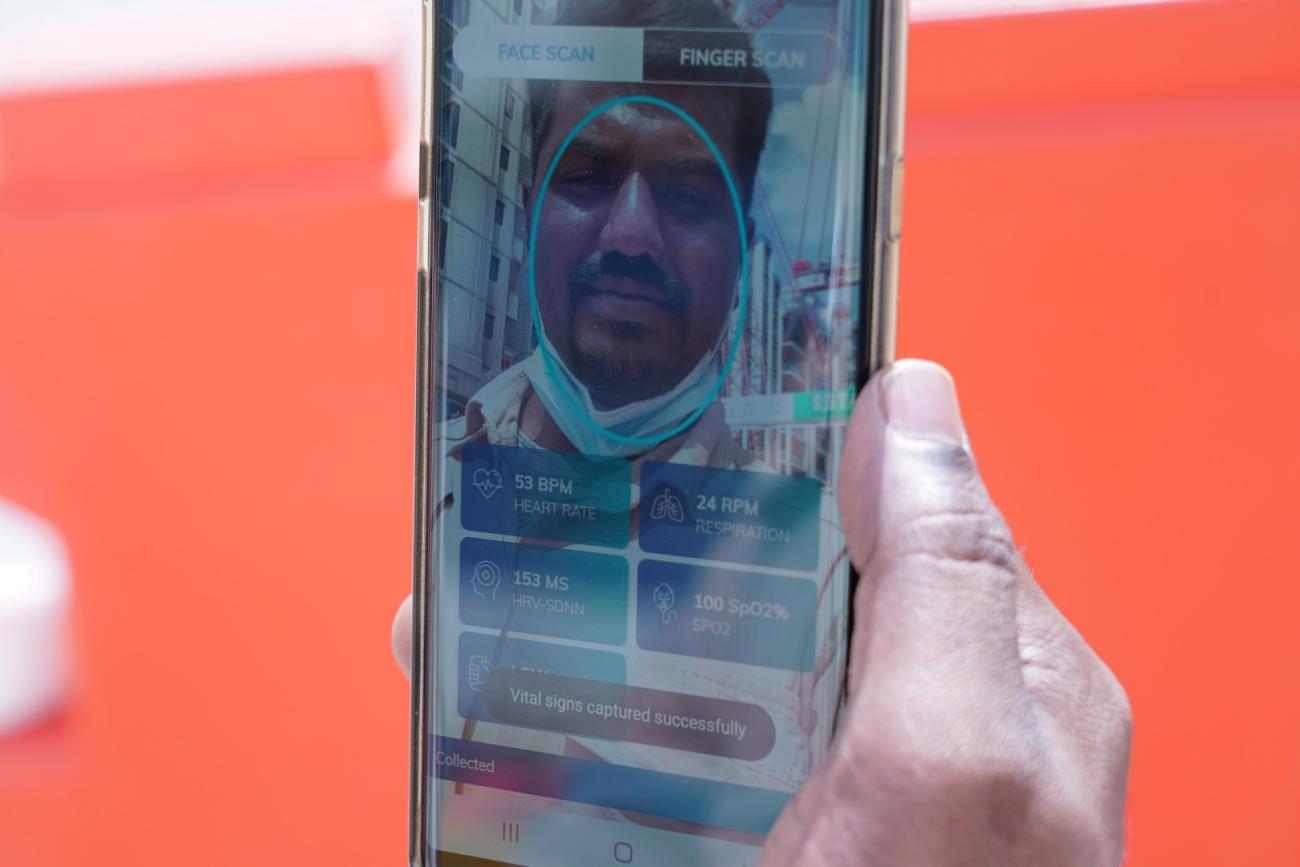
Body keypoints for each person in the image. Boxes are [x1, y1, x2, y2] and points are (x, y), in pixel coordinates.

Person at [394, 360, 1134, 865]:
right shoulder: (453, 461)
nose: (629, 231)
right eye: (586, 175)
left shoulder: (813, 574)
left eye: (689, 194)